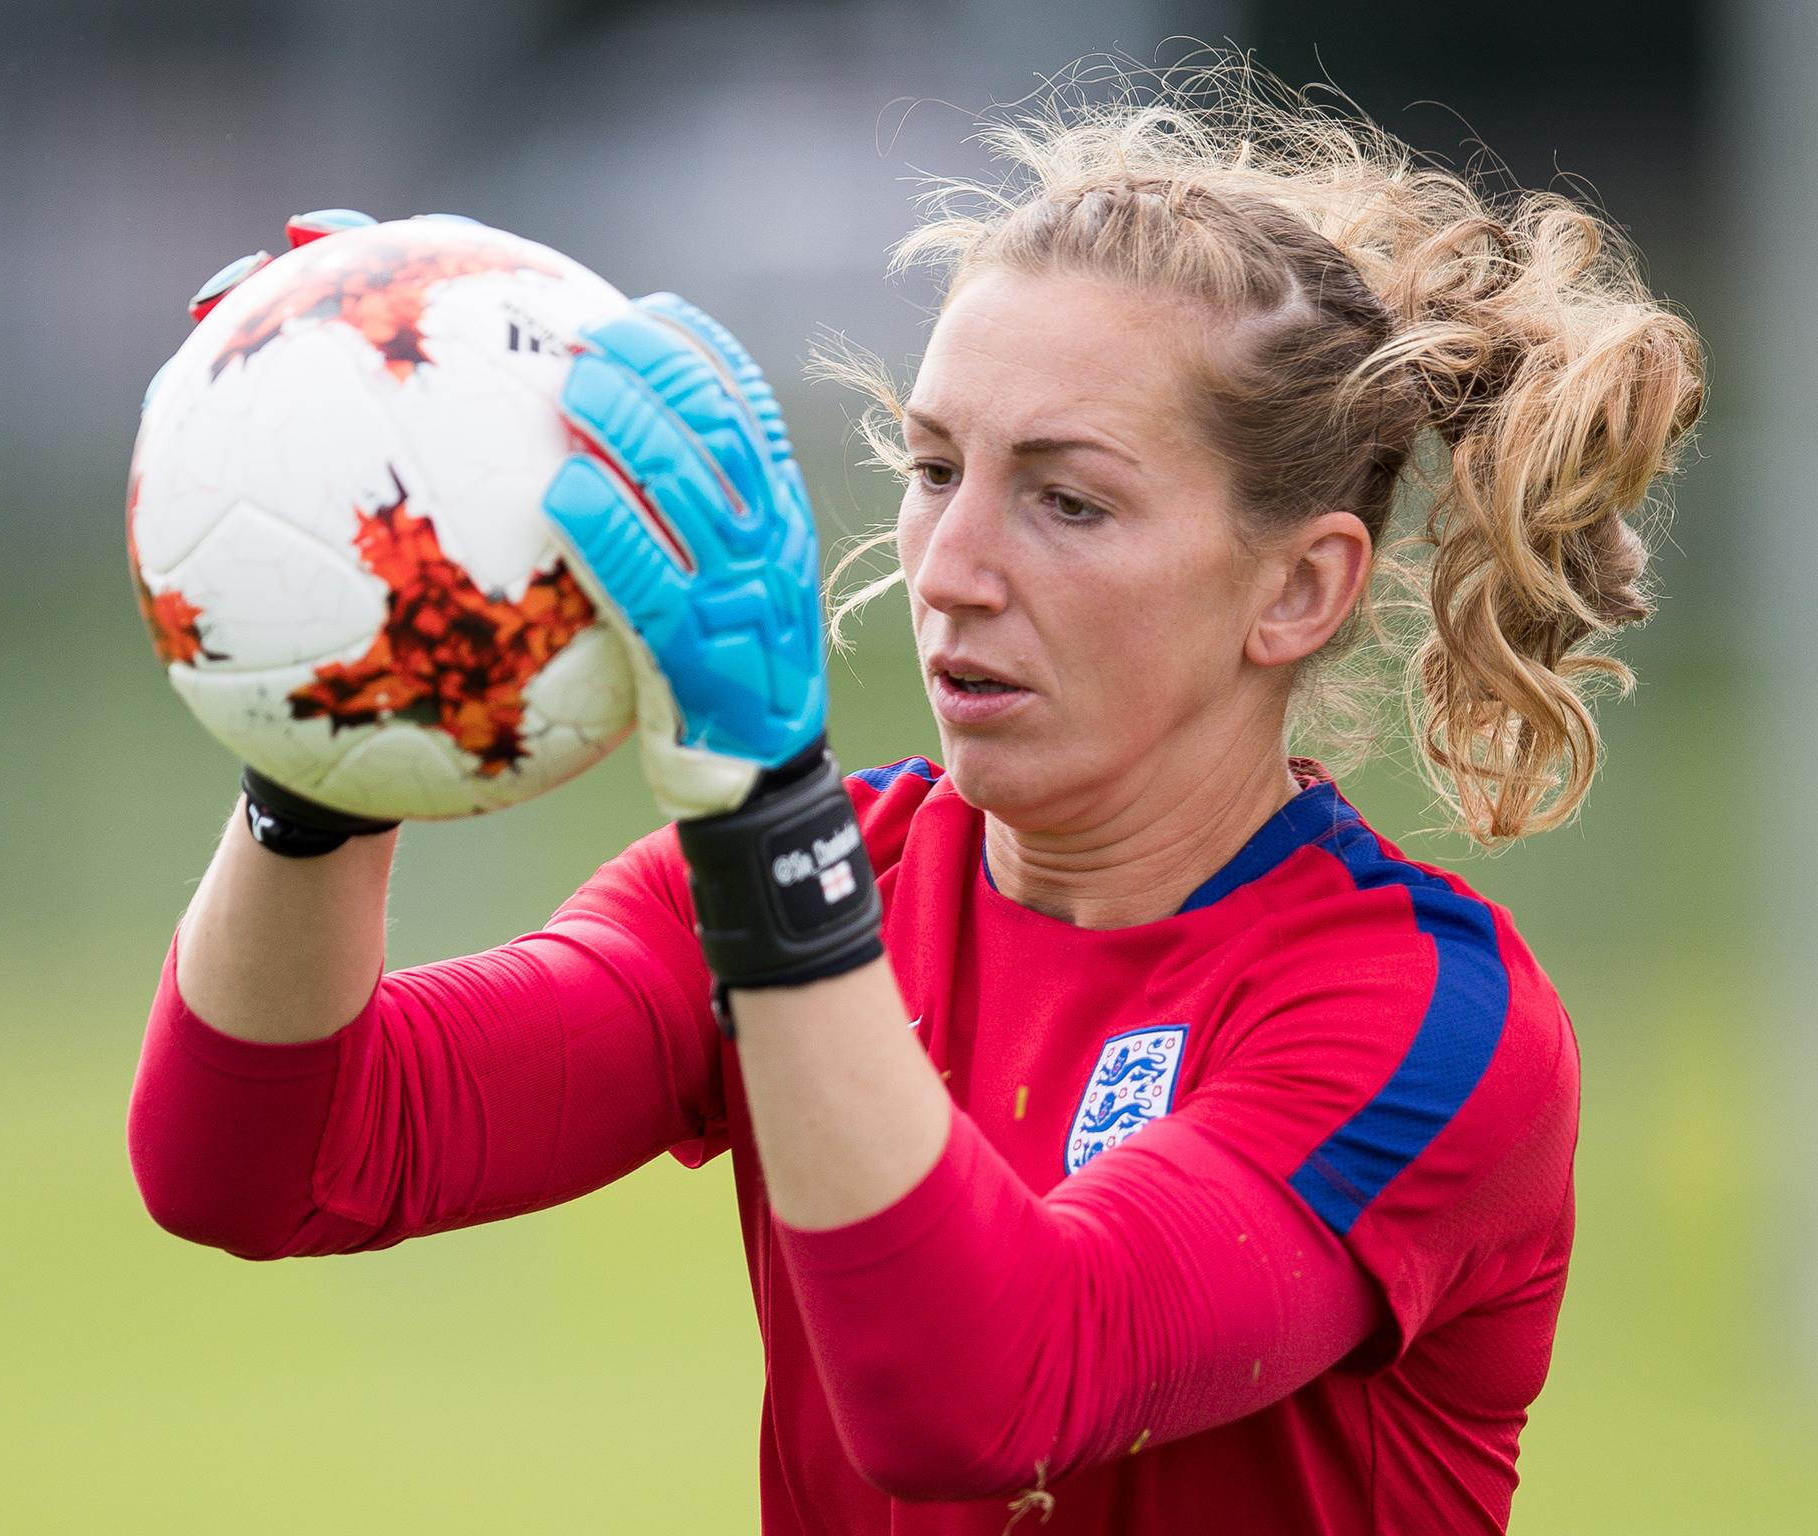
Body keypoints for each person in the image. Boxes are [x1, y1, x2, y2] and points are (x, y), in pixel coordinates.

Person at [127, 64, 1703, 1535]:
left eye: (1067, 500)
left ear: (1296, 590)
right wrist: (340, 702)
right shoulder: (832, 881)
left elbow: (991, 1391)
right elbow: (266, 1161)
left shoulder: (1422, 1019)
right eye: (936, 466)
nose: (948, 572)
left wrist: (766, 828)